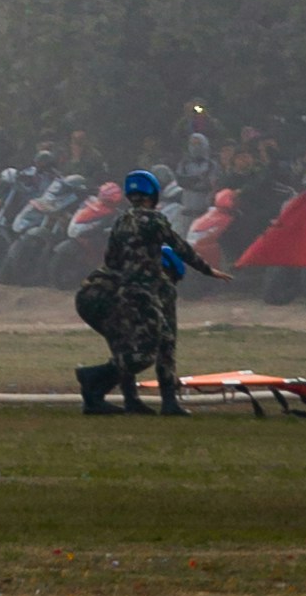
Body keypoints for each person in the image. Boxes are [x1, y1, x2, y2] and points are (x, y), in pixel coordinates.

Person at [76, 168, 210, 417]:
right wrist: (169, 401)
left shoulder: (123, 223)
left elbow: (110, 258)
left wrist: (132, 402)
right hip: (106, 297)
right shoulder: (158, 284)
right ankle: (91, 377)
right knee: (143, 354)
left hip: (91, 293)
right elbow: (167, 347)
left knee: (126, 348)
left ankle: (108, 399)